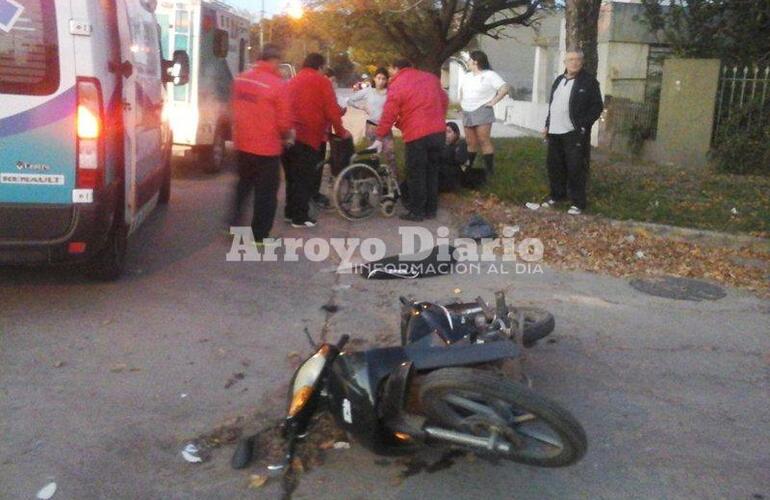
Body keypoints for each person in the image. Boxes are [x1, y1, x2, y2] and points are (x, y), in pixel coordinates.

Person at [229, 45, 293, 243]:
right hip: (267, 148)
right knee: (265, 193)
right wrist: (287, 135)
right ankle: (259, 235)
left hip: (243, 144)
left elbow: (234, 108)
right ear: (274, 60)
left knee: (243, 187)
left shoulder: (241, 79)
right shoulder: (278, 84)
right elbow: (284, 120)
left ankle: (233, 228)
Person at [529, 50, 603, 215]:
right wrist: (547, 125)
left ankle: (578, 202)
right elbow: (553, 106)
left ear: (582, 62)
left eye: (577, 60)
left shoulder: (589, 82)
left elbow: (597, 107)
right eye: (570, 60)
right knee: (554, 166)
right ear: (565, 62)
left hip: (573, 132)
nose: (574, 63)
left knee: (575, 166)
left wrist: (583, 125)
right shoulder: (558, 80)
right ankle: (557, 196)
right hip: (555, 132)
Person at [373, 59, 448, 222]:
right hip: (438, 133)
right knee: (432, 172)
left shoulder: (397, 84)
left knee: (416, 173)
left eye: (391, 70)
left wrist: (380, 135)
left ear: (395, 68)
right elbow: (444, 99)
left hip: (417, 134)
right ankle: (431, 210)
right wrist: (438, 118)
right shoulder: (431, 78)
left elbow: (389, 113)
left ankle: (417, 211)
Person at [283, 53, 350, 228]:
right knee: (304, 178)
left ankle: (290, 212)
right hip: (308, 136)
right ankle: (300, 217)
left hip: (287, 136)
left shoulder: (292, 81)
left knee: (292, 178)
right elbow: (332, 112)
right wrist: (342, 132)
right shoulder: (322, 82)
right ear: (320, 67)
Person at [459, 50, 509, 175]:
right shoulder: (467, 76)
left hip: (482, 110)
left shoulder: (490, 75)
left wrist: (494, 101)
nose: (468, 62)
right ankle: (468, 167)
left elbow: (504, 88)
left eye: (470, 60)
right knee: (470, 142)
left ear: (476, 61)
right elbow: (462, 90)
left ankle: (489, 170)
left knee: (483, 140)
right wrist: (462, 103)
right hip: (467, 110)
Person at [346, 67, 396, 175]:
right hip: (371, 127)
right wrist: (362, 107)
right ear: (374, 78)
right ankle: (375, 180)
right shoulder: (368, 91)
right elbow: (350, 100)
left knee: (390, 155)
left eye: (383, 79)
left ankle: (393, 180)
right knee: (374, 156)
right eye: (378, 78)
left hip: (385, 128)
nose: (381, 81)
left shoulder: (390, 93)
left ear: (387, 80)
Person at [439, 122, 468, 192]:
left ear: (455, 134)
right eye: (444, 132)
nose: (446, 134)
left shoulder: (461, 144)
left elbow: (461, 160)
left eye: (449, 132)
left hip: (451, 177)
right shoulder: (442, 144)